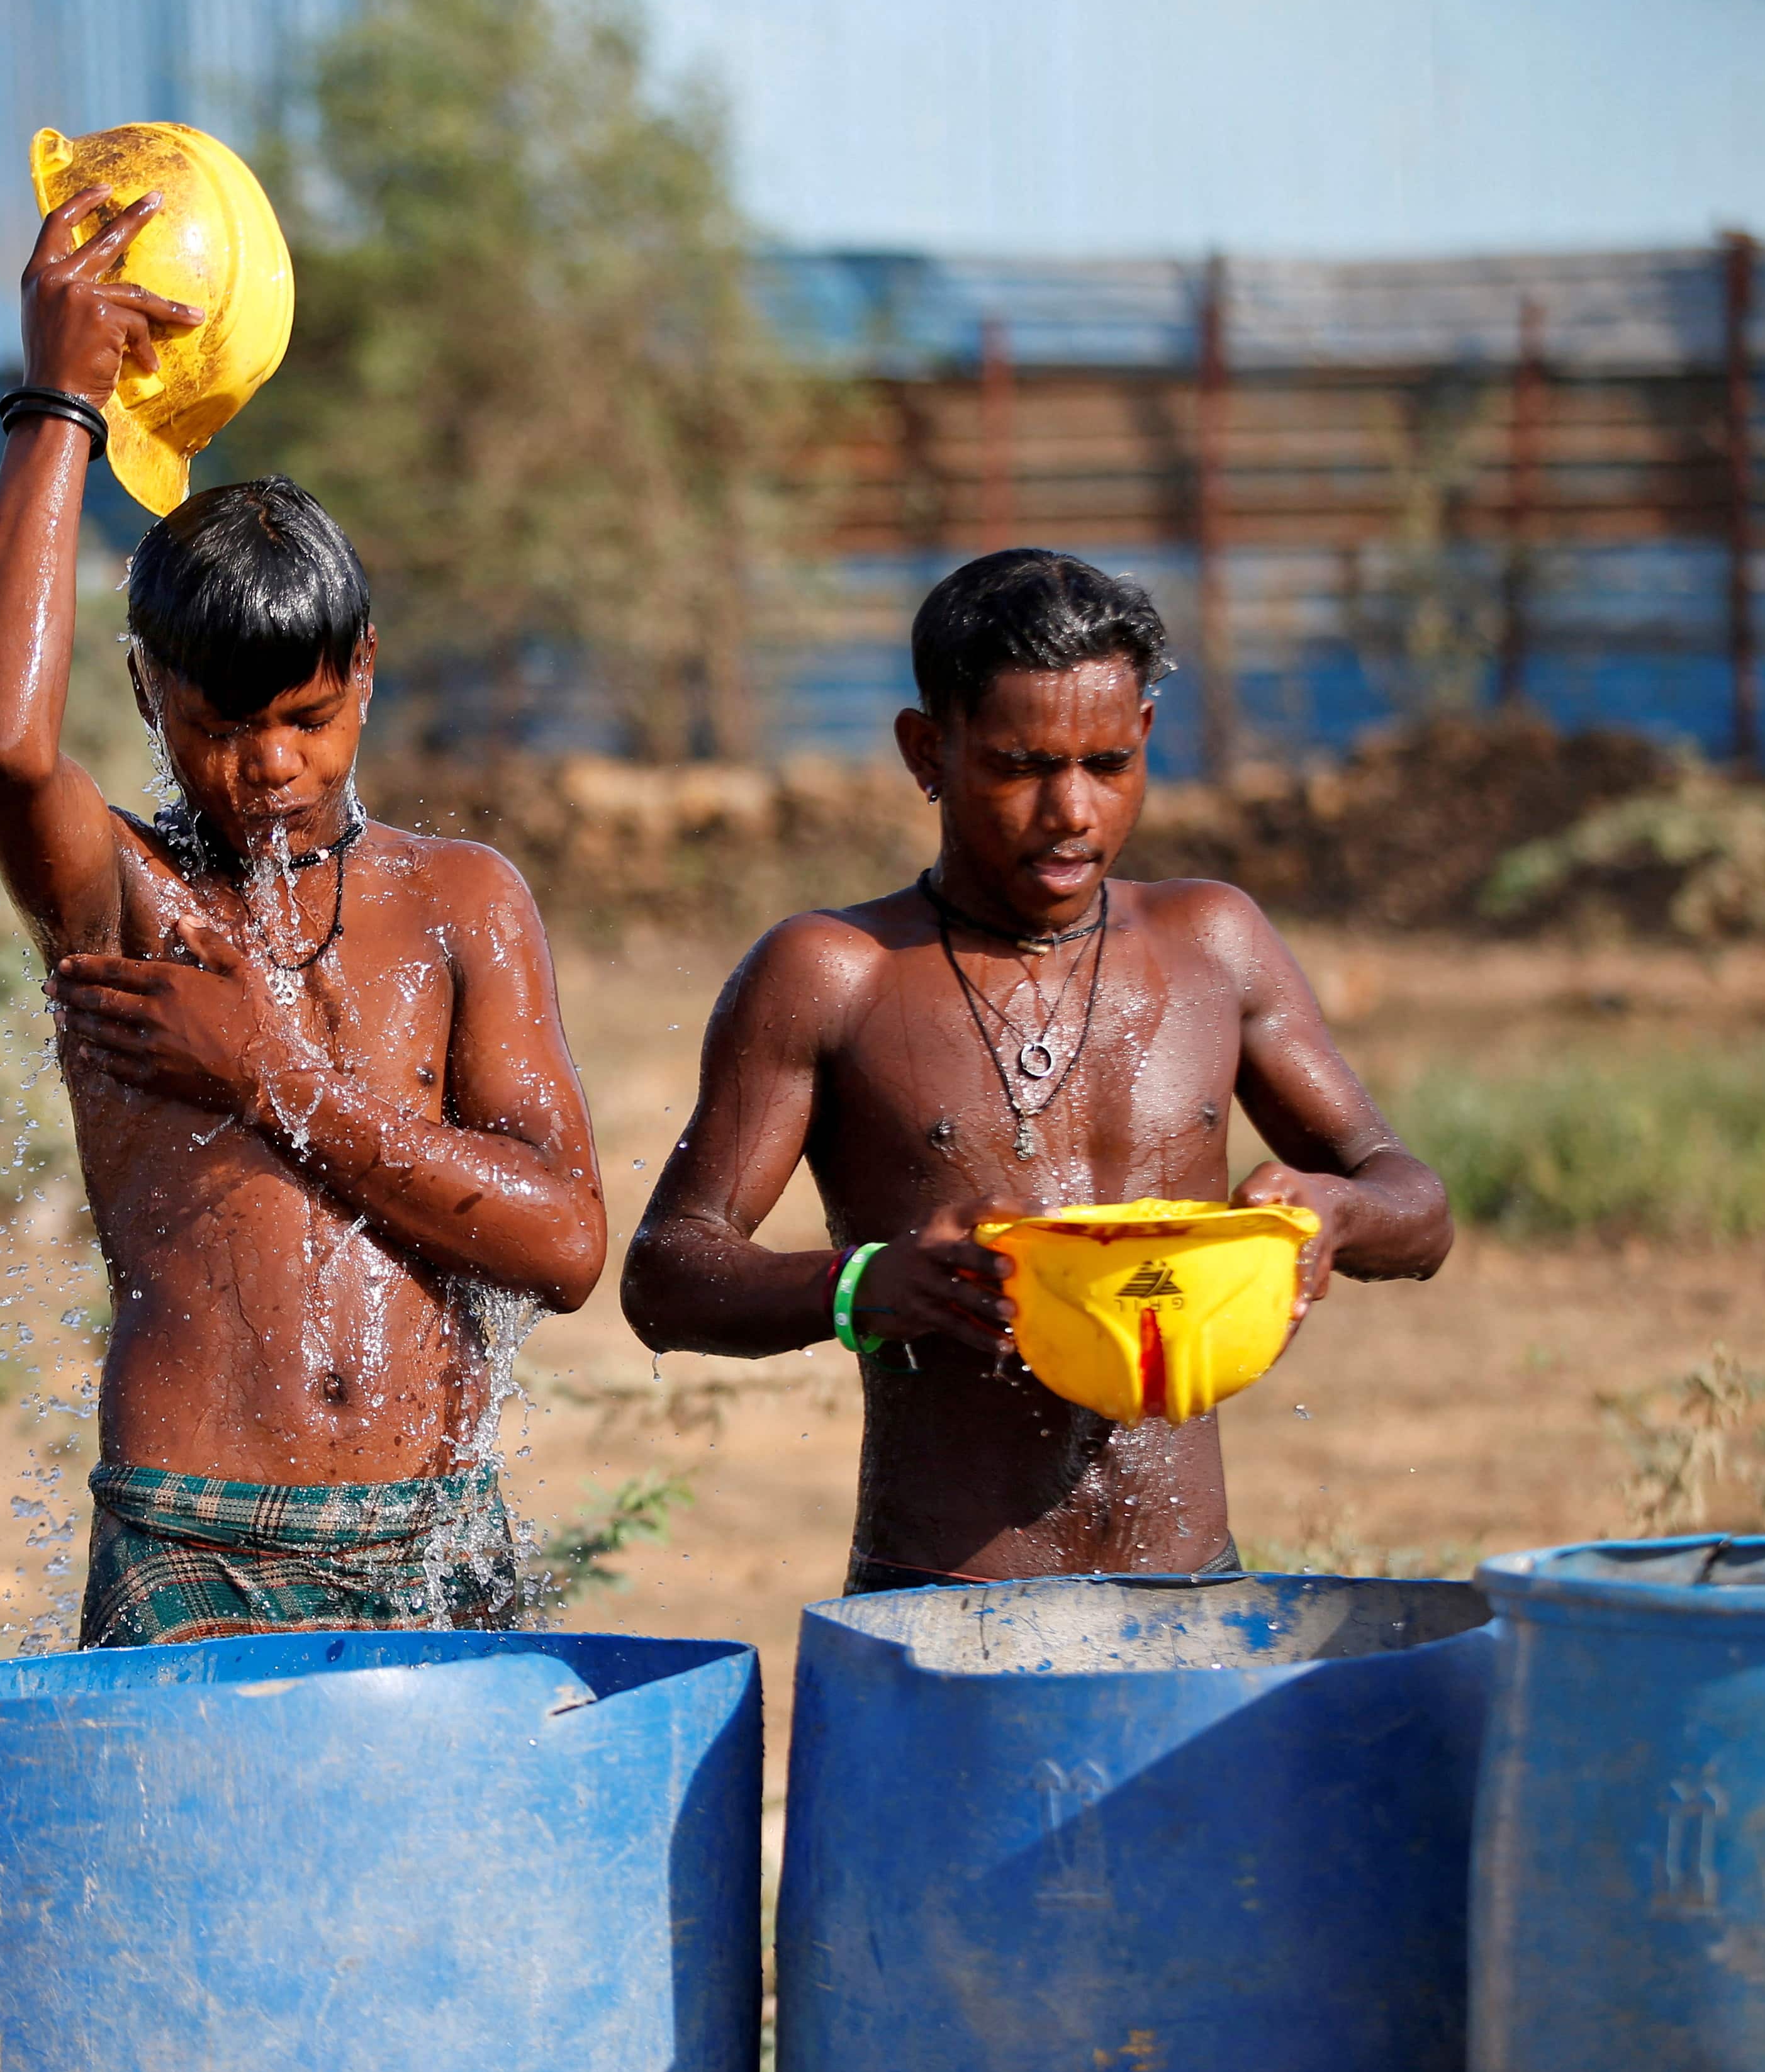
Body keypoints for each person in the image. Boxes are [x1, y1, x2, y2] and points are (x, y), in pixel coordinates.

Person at [0, 189, 607, 1647]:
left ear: (365, 669)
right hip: (196, 1533)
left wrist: (275, 1076)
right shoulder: (126, 901)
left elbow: (566, 1245)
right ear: (144, 699)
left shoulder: (460, 903)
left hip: (431, 1528)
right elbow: (2, 746)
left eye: (307, 721)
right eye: (219, 728)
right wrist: (57, 402)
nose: (268, 769)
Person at [620, 547, 1451, 1594]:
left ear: (1146, 737)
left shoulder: (1215, 944)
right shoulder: (833, 973)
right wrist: (864, 1284)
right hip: (944, 1594)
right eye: (1020, 768)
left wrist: (1335, 1212)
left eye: (1108, 764)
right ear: (927, 752)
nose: (1072, 812)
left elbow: (1416, 1206)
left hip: (1192, 1586)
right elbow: (666, 1274)